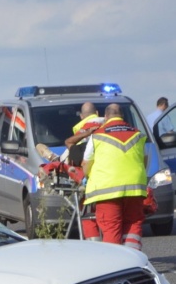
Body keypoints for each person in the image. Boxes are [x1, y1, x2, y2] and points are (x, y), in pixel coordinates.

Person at [82, 103, 147, 250]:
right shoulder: (138, 134)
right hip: (135, 189)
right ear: (122, 116)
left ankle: (116, 266)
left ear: (105, 117)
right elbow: (143, 160)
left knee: (112, 228)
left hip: (107, 190)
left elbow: (86, 165)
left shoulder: (97, 135)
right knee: (133, 225)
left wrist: (89, 177)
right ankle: (132, 262)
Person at [62, 102, 103, 240]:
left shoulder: (83, 128)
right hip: (112, 179)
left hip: (90, 178)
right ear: (97, 113)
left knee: (87, 215)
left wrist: (86, 133)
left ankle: (52, 157)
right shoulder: (109, 125)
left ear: (81, 116)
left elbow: (70, 145)